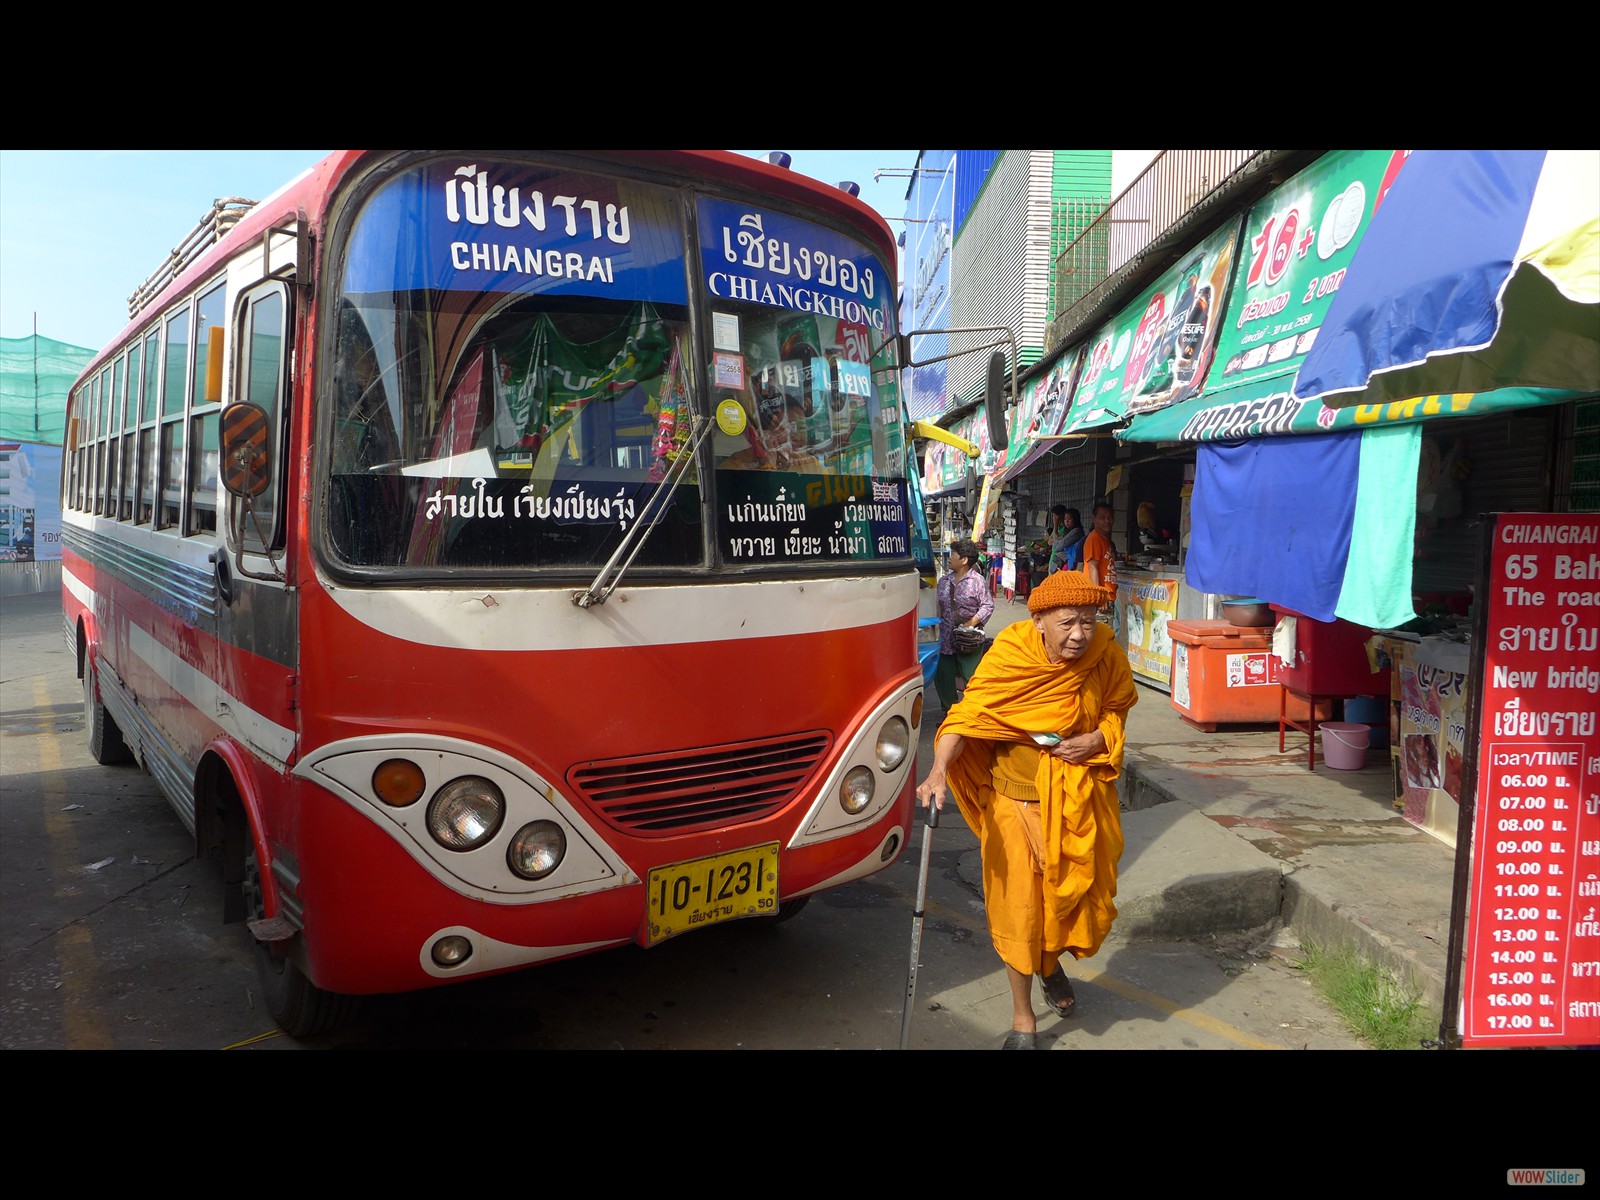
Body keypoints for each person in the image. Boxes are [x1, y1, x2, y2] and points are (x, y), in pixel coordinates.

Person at [914, 570, 1137, 1049]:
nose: (1079, 635)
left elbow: (1117, 710)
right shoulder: (1011, 656)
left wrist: (1100, 738)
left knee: (1063, 903)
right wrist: (936, 772)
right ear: (1038, 620)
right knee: (1018, 912)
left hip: (1075, 803)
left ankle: (1050, 965)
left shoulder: (1106, 656)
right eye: (1066, 623)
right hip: (1010, 805)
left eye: (1088, 621)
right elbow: (968, 716)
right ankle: (1023, 1020)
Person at [932, 538, 994, 713]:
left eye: (953, 554)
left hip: (969, 639)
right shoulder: (944, 581)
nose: (949, 558)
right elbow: (938, 607)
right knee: (943, 678)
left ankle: (974, 713)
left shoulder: (978, 581)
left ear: (964, 560)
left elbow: (988, 605)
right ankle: (950, 714)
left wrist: (971, 622)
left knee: (972, 678)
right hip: (945, 639)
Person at [1082, 501, 1118, 617]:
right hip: (1102, 601)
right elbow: (1092, 568)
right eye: (1102, 517)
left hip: (1107, 598)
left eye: (1110, 517)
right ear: (1094, 519)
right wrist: (1099, 596)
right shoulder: (1094, 539)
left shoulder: (1104, 539)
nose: (1107, 521)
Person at [1046, 505, 1084, 575]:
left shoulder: (1076, 531)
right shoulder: (1068, 531)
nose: (1067, 521)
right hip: (1060, 561)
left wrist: (1055, 542)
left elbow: (1058, 546)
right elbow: (1049, 542)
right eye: (1065, 519)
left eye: (1069, 519)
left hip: (1068, 563)